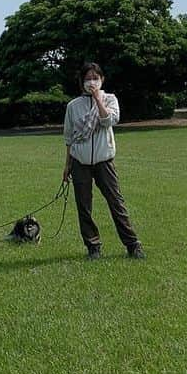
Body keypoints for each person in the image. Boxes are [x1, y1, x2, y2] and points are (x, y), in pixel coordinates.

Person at [62, 62, 145, 260]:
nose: (92, 82)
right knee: (84, 205)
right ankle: (93, 246)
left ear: (102, 79)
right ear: (81, 82)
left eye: (95, 78)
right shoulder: (73, 106)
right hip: (79, 162)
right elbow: (69, 137)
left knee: (116, 202)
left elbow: (109, 121)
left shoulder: (110, 99)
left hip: (104, 161)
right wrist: (67, 166)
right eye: (88, 78)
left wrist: (98, 99)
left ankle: (133, 245)